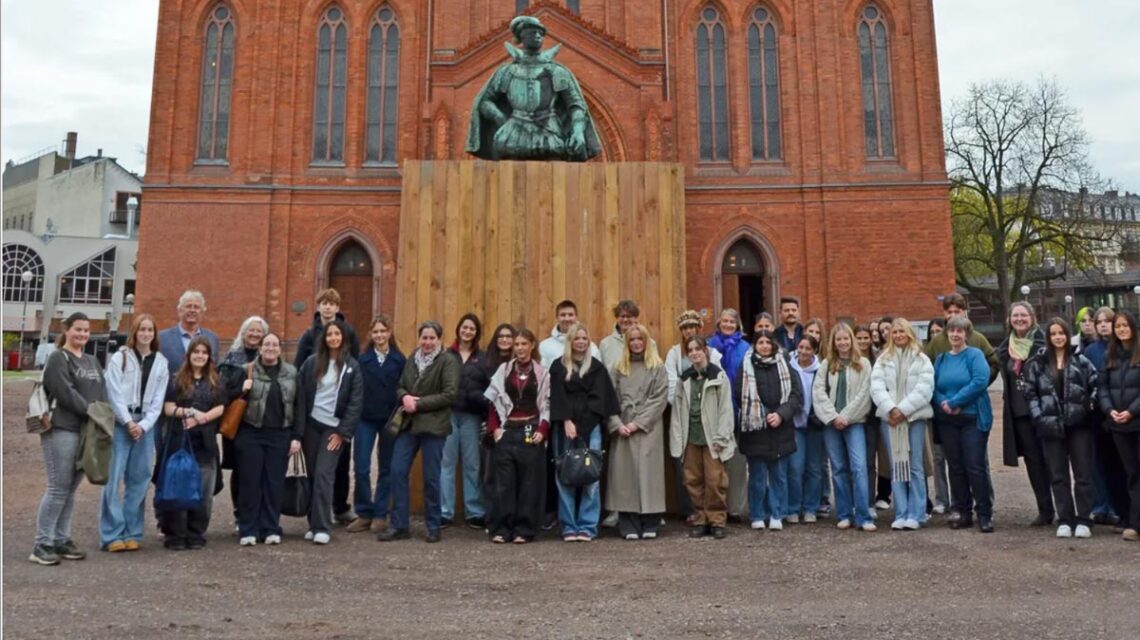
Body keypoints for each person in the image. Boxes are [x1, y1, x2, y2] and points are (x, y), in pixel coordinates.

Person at [30, 313, 106, 565]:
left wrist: (101, 414)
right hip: (62, 428)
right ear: (67, 330)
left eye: (86, 330)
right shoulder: (57, 358)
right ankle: (42, 543)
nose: (82, 334)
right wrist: (93, 412)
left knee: (70, 489)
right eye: (78, 329)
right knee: (57, 487)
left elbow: (101, 391)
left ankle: (61, 538)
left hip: (87, 431)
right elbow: (65, 393)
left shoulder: (92, 361)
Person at [379, 321, 460, 543]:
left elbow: (449, 394)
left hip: (434, 426)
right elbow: (401, 385)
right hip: (409, 425)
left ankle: (433, 526)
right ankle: (399, 525)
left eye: (432, 338)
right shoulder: (412, 359)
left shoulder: (448, 361)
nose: (427, 342)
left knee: (431, 477)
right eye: (424, 337)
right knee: (397, 470)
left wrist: (419, 403)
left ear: (439, 340)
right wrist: (404, 396)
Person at [100, 314, 170, 552]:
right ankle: (111, 533)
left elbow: (159, 399)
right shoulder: (120, 358)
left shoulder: (161, 362)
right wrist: (128, 421)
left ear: (155, 334)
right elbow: (113, 391)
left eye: (150, 330)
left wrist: (144, 425)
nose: (146, 334)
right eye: (142, 330)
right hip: (122, 424)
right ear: (135, 332)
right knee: (113, 479)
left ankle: (132, 531)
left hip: (145, 426)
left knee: (139, 480)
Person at [1024, 318, 1098, 539]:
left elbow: (1095, 384)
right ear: (1048, 337)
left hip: (1079, 425)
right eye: (1054, 333)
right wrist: (1038, 416)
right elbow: (1029, 392)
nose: (1058, 337)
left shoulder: (1081, 360)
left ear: (1067, 335)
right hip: (1050, 425)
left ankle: (1084, 518)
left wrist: (1088, 406)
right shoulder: (1036, 363)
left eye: (1061, 333)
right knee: (1058, 475)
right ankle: (1065, 518)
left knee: (1083, 474)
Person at [294, 288, 361, 526]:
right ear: (319, 306)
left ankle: (339, 507)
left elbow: (355, 372)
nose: (328, 307)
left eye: (332, 303)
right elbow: (298, 370)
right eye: (324, 303)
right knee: (317, 471)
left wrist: (345, 428)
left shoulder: (349, 333)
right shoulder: (308, 337)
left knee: (338, 466)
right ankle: (319, 514)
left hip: (337, 418)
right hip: (315, 415)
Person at [549, 322, 620, 541]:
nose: (581, 342)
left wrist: (585, 425)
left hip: (592, 429)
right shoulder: (558, 367)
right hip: (564, 428)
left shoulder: (596, 368)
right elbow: (557, 396)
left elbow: (600, 399)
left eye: (584, 339)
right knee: (565, 474)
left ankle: (588, 526)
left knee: (591, 476)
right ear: (570, 341)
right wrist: (567, 421)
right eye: (576, 338)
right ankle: (569, 525)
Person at [159, 337, 227, 550]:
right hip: (180, 440)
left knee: (204, 489)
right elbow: (169, 408)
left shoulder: (215, 380)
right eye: (196, 352)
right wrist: (187, 412)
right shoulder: (177, 380)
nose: (200, 356)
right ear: (189, 355)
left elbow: (221, 407)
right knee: (178, 485)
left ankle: (196, 531)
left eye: (204, 352)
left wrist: (202, 417)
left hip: (205, 441)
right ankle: (176, 533)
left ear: (209, 356)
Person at [233, 332, 299, 546]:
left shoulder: (291, 373)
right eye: (266, 344)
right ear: (260, 348)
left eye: (274, 344)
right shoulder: (246, 371)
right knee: (250, 482)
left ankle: (271, 527)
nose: (270, 348)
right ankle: (248, 529)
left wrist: (296, 436)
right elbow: (229, 397)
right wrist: (242, 389)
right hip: (251, 433)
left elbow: (299, 405)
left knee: (274, 483)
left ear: (280, 349)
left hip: (279, 434)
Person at [485, 329, 550, 543]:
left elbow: (547, 405)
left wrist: (542, 430)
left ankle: (524, 529)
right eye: (517, 344)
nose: (520, 348)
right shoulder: (503, 371)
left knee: (529, 484)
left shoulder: (542, 373)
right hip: (507, 431)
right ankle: (502, 529)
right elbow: (493, 402)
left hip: (530, 431)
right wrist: (495, 430)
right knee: (504, 484)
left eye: (524, 344)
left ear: (532, 345)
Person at [932, 316, 996, 533]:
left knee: (974, 465)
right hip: (948, 420)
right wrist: (944, 403)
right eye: (952, 331)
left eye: (960, 331)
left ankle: (985, 514)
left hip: (972, 418)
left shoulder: (975, 355)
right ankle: (963, 511)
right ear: (947, 334)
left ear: (967, 334)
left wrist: (956, 401)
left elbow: (979, 381)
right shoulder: (941, 359)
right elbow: (933, 386)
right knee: (955, 467)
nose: (955, 335)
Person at [735, 330, 803, 532]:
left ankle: (777, 513)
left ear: (774, 344)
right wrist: (763, 414)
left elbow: (796, 395)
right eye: (760, 342)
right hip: (755, 429)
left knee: (778, 475)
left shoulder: (785, 365)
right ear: (754, 345)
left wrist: (781, 414)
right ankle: (757, 514)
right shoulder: (746, 366)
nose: (764, 346)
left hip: (780, 428)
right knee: (757, 475)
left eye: (768, 342)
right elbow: (739, 392)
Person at [606, 324, 669, 540]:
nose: (635, 343)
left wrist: (638, 423)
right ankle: (628, 522)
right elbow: (608, 398)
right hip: (623, 425)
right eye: (631, 339)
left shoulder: (657, 367)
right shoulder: (618, 367)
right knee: (625, 476)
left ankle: (650, 521)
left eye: (639, 339)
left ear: (646, 341)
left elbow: (659, 398)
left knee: (649, 475)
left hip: (647, 428)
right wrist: (617, 424)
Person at [871, 318, 935, 531]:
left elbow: (924, 388)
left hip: (913, 419)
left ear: (909, 333)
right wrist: (891, 409)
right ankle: (901, 512)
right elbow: (877, 387)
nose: (898, 335)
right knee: (897, 466)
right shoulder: (883, 359)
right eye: (894, 332)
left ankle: (917, 513)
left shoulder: (922, 359)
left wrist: (904, 410)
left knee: (915, 466)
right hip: (889, 419)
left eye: (901, 331)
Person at [345, 315, 406, 534]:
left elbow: (404, 388)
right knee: (361, 467)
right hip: (366, 419)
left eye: (383, 331)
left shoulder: (400, 360)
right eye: (376, 332)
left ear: (390, 332)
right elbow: (355, 390)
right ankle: (364, 512)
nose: (380, 335)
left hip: (389, 420)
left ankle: (381, 513)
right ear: (371, 335)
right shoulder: (362, 360)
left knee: (386, 467)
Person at [813, 323, 876, 532]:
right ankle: (844, 513)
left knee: (859, 467)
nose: (842, 343)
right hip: (831, 424)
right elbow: (819, 392)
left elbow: (864, 394)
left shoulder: (863, 364)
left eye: (846, 338)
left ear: (852, 340)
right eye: (838, 339)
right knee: (839, 469)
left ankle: (863, 516)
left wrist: (846, 416)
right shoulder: (827, 364)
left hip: (854, 422)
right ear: (833, 342)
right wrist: (832, 417)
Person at [671, 336, 736, 539]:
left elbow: (726, 409)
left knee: (715, 480)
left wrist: (722, 436)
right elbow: (677, 410)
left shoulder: (718, 377)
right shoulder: (685, 379)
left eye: (697, 349)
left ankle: (717, 520)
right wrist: (678, 438)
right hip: (692, 435)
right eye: (690, 350)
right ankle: (700, 518)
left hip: (712, 437)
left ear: (705, 351)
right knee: (693, 479)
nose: (694, 353)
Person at [997, 301, 1053, 526]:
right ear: (1009, 319)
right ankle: (1045, 509)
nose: (1019, 319)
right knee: (1034, 462)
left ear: (1032, 317)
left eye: (1023, 315)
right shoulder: (1005, 347)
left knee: (1053, 459)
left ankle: (1065, 508)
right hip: (1020, 413)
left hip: (1044, 410)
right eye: (1015, 316)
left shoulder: (1043, 342)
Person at [664, 311, 722, 523]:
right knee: (688, 468)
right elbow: (670, 382)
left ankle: (714, 514)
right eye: (685, 328)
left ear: (699, 328)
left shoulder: (714, 353)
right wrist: (681, 406)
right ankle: (693, 510)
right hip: (683, 413)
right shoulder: (674, 354)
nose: (689, 331)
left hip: (707, 416)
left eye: (692, 327)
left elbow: (719, 382)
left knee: (712, 470)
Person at [218, 316, 268, 530]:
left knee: (259, 469)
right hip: (238, 422)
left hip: (260, 422)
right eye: (251, 331)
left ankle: (257, 511)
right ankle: (241, 514)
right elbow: (222, 391)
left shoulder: (268, 356)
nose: (255, 335)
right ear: (243, 332)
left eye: (259, 332)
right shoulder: (231, 358)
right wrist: (242, 385)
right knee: (240, 470)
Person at [441, 313, 490, 529]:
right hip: (449, 415)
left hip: (471, 417)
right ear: (459, 329)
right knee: (447, 464)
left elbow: (490, 387)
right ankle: (445, 511)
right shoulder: (445, 355)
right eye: (465, 327)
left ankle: (475, 511)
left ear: (476, 333)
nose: (467, 331)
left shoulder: (483, 358)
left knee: (472, 465)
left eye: (472, 328)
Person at [1097, 311, 1140, 542]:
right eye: (1118, 326)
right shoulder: (1110, 355)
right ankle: (1134, 522)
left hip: (1137, 420)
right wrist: (1109, 410)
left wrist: (1132, 411)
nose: (1122, 329)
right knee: (1131, 473)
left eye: (1125, 325)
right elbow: (1102, 387)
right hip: (1119, 425)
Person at [1083, 307, 1127, 526]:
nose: (1102, 325)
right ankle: (1102, 506)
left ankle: (1121, 509)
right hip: (1098, 416)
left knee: (1120, 464)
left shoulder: (1122, 349)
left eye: (1107, 321)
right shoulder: (1091, 350)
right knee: (1099, 464)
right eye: (1098, 321)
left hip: (1121, 414)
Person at [707, 308, 751, 520]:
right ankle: (716, 507)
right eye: (724, 321)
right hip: (714, 408)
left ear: (737, 324)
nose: (727, 325)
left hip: (738, 407)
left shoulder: (745, 347)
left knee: (737, 461)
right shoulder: (709, 346)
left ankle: (734, 507)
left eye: (731, 322)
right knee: (715, 460)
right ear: (718, 323)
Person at [787, 335, 823, 524]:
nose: (803, 352)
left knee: (815, 469)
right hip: (795, 425)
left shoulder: (820, 370)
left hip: (815, 425)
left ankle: (811, 507)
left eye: (808, 348)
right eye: (801, 347)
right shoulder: (789, 367)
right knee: (795, 467)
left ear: (814, 351)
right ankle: (793, 507)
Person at [158, 290, 219, 376]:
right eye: (188, 306)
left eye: (196, 307)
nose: (192, 310)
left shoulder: (212, 338)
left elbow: (214, 370)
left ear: (202, 312)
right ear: (180, 310)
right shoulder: (162, 338)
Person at [539, 299, 600, 368]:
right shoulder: (545, 346)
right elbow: (543, 374)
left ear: (576, 317)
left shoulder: (591, 347)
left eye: (570, 315)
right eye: (563, 315)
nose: (567, 319)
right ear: (557, 317)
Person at [599, 299, 640, 370]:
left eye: (629, 316)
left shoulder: (649, 343)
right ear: (617, 318)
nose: (625, 320)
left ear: (635, 318)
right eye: (622, 316)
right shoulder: (605, 344)